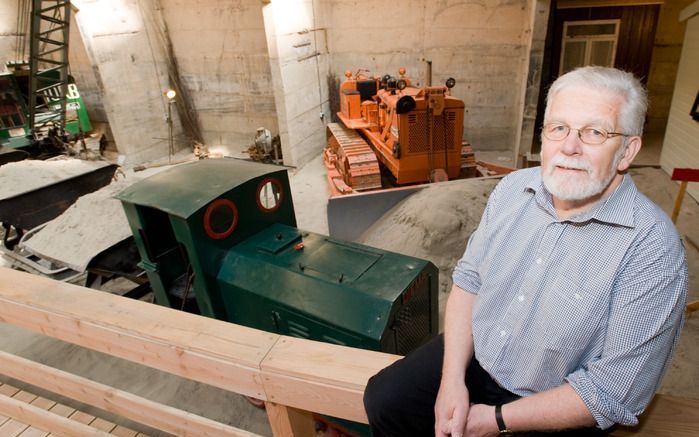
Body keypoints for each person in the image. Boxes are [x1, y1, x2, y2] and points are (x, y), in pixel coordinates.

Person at [363, 66, 688, 437]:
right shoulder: (513, 189)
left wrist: (494, 420)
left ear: (627, 150)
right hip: (481, 358)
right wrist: (451, 380)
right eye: (558, 128)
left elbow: (611, 392)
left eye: (594, 132)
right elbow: (469, 281)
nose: (569, 147)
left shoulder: (652, 251)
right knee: (384, 400)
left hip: (559, 398)